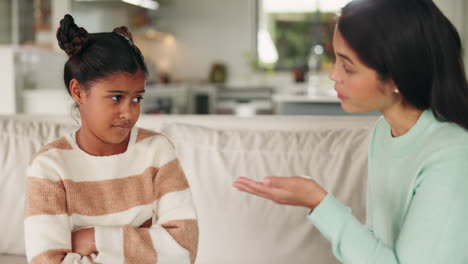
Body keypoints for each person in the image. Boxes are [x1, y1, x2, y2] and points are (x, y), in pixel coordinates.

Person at [233, 0, 468, 263]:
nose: (334, 75)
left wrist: (319, 202)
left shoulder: (452, 154)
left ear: (395, 78)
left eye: (347, 66)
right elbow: (376, 246)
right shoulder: (385, 132)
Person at [24, 14, 198, 264]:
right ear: (78, 92)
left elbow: (184, 249)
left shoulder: (157, 150)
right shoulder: (49, 166)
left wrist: (93, 239)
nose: (129, 112)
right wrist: (144, 242)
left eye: (137, 98)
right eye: (116, 97)